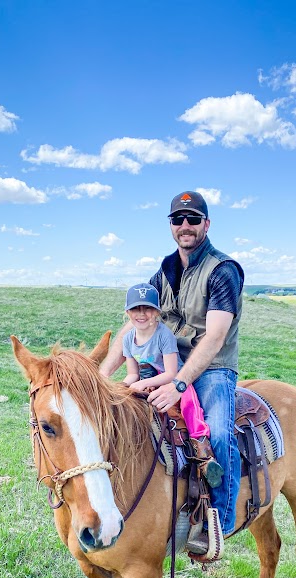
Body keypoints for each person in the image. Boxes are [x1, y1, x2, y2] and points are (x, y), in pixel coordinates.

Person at [101, 190, 244, 544]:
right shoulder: (163, 272)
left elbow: (214, 337)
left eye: (193, 219)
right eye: (178, 219)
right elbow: (136, 324)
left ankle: (219, 524)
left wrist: (178, 384)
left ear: (206, 225)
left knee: (219, 434)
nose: (185, 225)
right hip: (164, 363)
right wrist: (101, 377)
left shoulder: (222, 271)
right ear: (171, 225)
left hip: (211, 368)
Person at [121, 282, 223, 488]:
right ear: (127, 312)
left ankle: (203, 451)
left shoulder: (163, 335)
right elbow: (132, 374)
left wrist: (142, 383)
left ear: (157, 312)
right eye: (135, 308)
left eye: (147, 308)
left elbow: (171, 373)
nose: (141, 314)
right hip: (145, 380)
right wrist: (120, 388)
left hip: (171, 379)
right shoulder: (128, 339)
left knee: (189, 402)